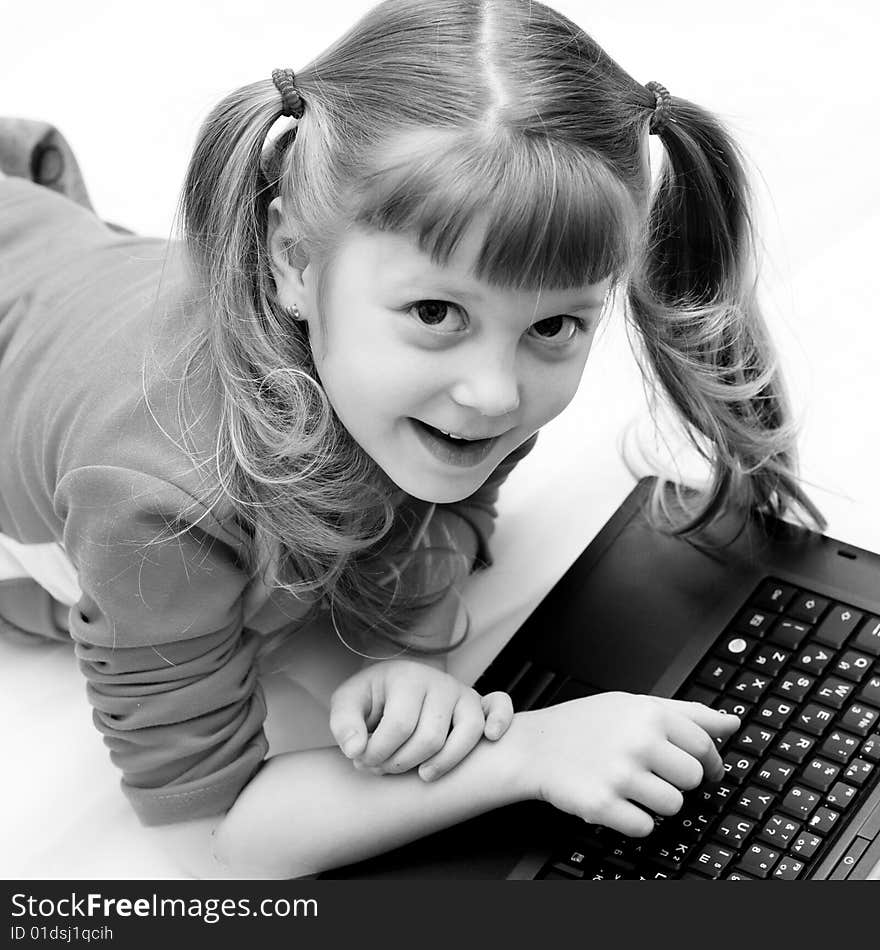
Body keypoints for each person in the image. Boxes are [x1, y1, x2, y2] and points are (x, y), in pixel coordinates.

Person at [0, 0, 825, 879]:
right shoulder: (156, 502)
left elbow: (444, 509)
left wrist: (400, 653)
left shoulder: (460, 391)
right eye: (436, 312)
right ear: (289, 261)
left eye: (556, 325)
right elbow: (213, 837)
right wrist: (521, 754)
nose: (495, 393)